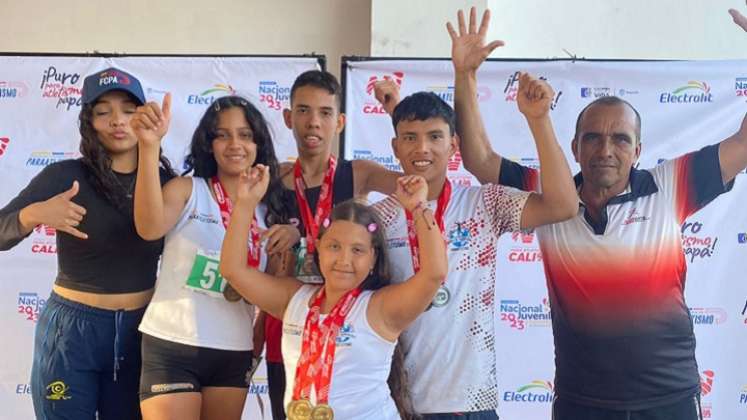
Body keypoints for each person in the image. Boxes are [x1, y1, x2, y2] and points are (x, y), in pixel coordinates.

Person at [453, 7, 747, 420]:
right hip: (582, 402)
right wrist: (464, 76)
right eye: (592, 138)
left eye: (620, 139)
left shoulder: (670, 185)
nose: (605, 150)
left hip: (669, 400)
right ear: (574, 148)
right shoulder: (549, 195)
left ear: (638, 151)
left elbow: (744, 143)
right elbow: (479, 158)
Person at [371, 51, 577, 418]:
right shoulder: (377, 219)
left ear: (454, 146)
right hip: (396, 405)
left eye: (435, 137)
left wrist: (539, 120)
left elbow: (563, 205)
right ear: (395, 147)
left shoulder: (484, 203)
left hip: (472, 406)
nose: (422, 148)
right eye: (410, 138)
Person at [0, 67, 175, 419]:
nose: (117, 120)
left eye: (128, 109)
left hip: (142, 331)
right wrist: (33, 214)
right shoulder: (64, 176)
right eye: (102, 111)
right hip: (71, 332)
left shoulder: (166, 182)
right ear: (88, 122)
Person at [220, 165, 447, 420]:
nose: (344, 260)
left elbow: (434, 275)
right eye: (334, 246)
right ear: (318, 248)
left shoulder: (381, 308)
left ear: (373, 258)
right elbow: (233, 270)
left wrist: (419, 207)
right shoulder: (294, 299)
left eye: (358, 250)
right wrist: (244, 204)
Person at [130, 95, 297, 420]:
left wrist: (290, 242)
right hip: (172, 343)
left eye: (245, 135)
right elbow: (148, 228)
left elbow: (275, 290)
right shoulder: (187, 189)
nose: (235, 144)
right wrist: (149, 148)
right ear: (209, 144)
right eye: (222, 134)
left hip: (233, 350)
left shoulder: (270, 209)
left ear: (258, 144)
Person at [256, 69, 403, 419]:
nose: (313, 123)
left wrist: (396, 110)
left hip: (354, 326)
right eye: (304, 111)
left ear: (339, 122)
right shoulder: (272, 178)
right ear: (289, 118)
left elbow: (419, 178)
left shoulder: (359, 174)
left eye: (324, 113)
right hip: (291, 322)